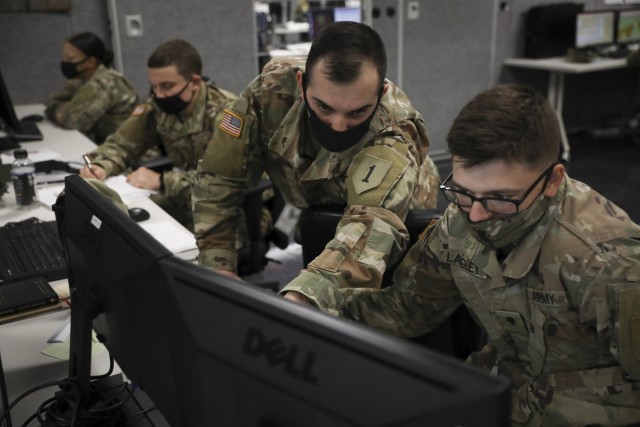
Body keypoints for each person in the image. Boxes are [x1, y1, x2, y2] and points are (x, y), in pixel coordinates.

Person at [283, 83, 640, 426]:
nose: (477, 215)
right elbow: (407, 310)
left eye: (501, 198)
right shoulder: (461, 222)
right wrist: (310, 308)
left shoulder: (609, 264)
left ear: (552, 180)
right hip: (502, 394)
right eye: (464, 192)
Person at [192, 21, 440, 287]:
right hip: (317, 203)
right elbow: (219, 177)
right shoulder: (269, 93)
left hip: (399, 208)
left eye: (357, 112)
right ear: (301, 84)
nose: (338, 125)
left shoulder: (395, 127)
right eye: (323, 107)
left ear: (381, 95)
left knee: (387, 293)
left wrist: (306, 295)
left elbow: (372, 225)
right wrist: (217, 263)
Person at [78, 39, 238, 231]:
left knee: (161, 247)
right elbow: (123, 143)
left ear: (195, 82)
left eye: (167, 86)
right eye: (154, 87)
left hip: (235, 210)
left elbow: (225, 181)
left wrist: (161, 181)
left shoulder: (229, 114)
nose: (159, 95)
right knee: (119, 224)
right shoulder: (157, 107)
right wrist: (102, 165)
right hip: (186, 197)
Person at [45, 32, 138, 144]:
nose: (65, 62)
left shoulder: (103, 83)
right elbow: (52, 102)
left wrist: (65, 111)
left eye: (70, 59)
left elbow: (72, 123)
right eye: (64, 57)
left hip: (132, 153)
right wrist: (64, 111)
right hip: (110, 148)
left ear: (90, 62)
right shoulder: (80, 80)